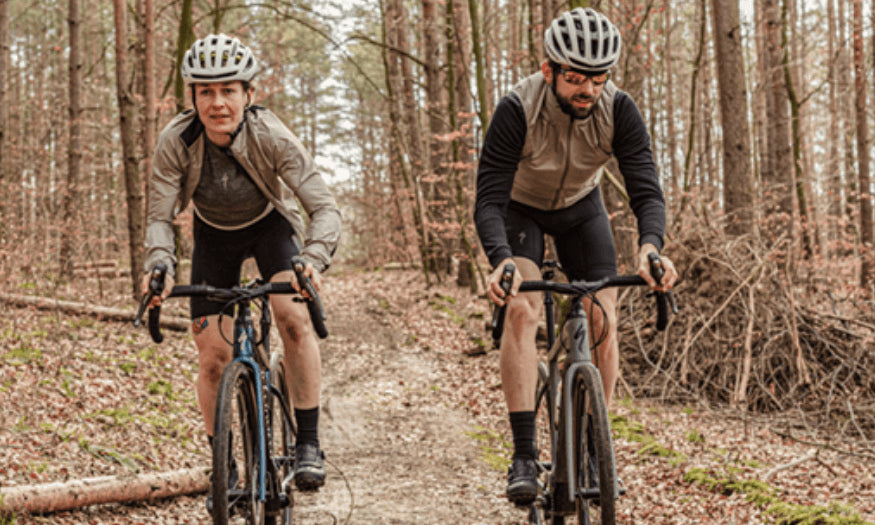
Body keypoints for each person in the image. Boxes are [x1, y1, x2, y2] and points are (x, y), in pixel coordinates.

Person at [474, 8, 678, 505]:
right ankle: (524, 454)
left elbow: (646, 190)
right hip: (520, 211)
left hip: (582, 208)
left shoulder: (619, 109)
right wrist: (500, 259)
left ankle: (592, 445)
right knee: (521, 310)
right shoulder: (517, 108)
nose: (588, 89)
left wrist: (651, 247)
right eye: (576, 77)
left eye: (599, 77)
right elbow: (489, 200)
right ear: (549, 70)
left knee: (602, 314)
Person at [141, 34, 342, 500]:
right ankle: (225, 465)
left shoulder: (272, 135)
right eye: (206, 92)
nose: (218, 103)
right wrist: (159, 262)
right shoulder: (176, 141)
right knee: (213, 356)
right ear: (192, 97)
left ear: (249, 94)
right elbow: (159, 218)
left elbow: (324, 207)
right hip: (213, 236)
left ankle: (309, 443)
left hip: (271, 228)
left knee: (292, 317)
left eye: (228, 90)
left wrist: (313, 260)